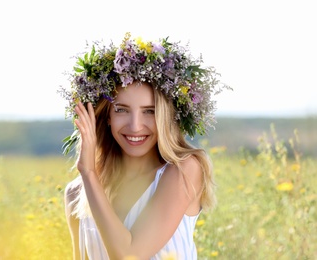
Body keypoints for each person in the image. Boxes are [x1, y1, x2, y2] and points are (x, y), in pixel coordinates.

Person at [59, 32, 229, 260]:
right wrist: (88, 176)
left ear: (166, 117)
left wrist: (89, 172)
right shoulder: (77, 193)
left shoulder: (183, 171)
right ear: (106, 115)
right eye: (121, 109)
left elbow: (129, 255)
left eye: (150, 111)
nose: (135, 126)